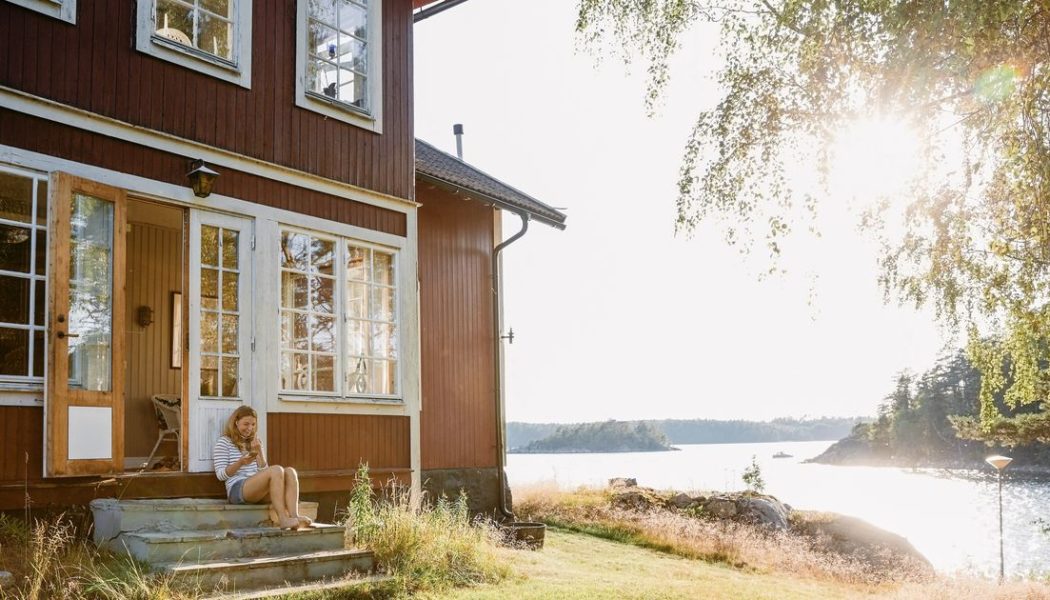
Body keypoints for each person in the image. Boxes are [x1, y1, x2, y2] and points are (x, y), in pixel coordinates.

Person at [212, 405, 312, 529]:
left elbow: (265, 472)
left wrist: (259, 451)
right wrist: (240, 463)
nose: (250, 428)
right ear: (236, 422)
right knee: (277, 469)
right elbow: (220, 475)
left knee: (290, 472)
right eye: (246, 424)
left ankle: (294, 516)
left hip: (256, 490)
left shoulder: (256, 442)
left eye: (253, 425)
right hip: (237, 489)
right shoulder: (224, 442)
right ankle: (283, 519)